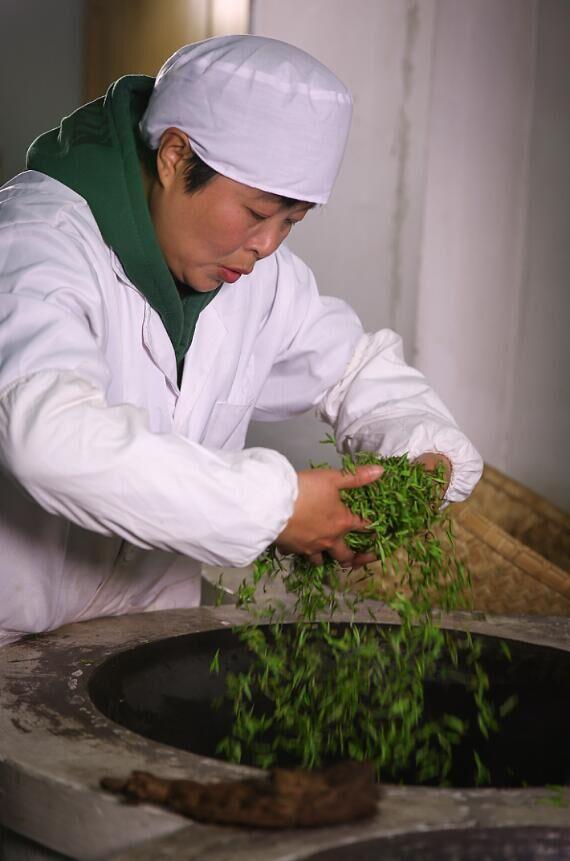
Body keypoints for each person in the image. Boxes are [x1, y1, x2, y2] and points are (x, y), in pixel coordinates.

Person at [0, 35, 482, 647]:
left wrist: (424, 461)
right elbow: (49, 438)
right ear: (176, 155)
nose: (268, 246)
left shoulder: (260, 280)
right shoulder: (35, 244)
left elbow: (356, 368)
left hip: (139, 638)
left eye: (291, 222)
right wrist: (277, 508)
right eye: (257, 214)